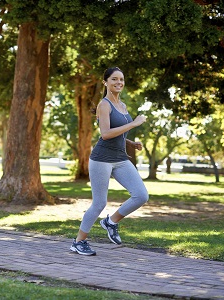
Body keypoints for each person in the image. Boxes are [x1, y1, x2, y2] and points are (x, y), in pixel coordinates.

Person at [70, 67, 149, 256]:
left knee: (141, 195)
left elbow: (117, 131)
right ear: (105, 82)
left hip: (120, 158)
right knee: (99, 203)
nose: (119, 83)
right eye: (114, 79)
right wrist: (134, 123)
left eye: (121, 79)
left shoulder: (122, 105)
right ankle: (78, 242)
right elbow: (105, 134)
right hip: (102, 159)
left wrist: (130, 143)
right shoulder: (104, 105)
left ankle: (111, 221)